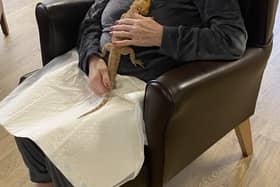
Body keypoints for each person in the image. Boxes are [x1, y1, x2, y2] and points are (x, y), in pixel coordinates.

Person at [15, 0, 247, 186]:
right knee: (27, 115)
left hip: (145, 87)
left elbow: (232, 39)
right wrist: (92, 59)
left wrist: (162, 36)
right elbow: (91, 20)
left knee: (67, 152)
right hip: (89, 72)